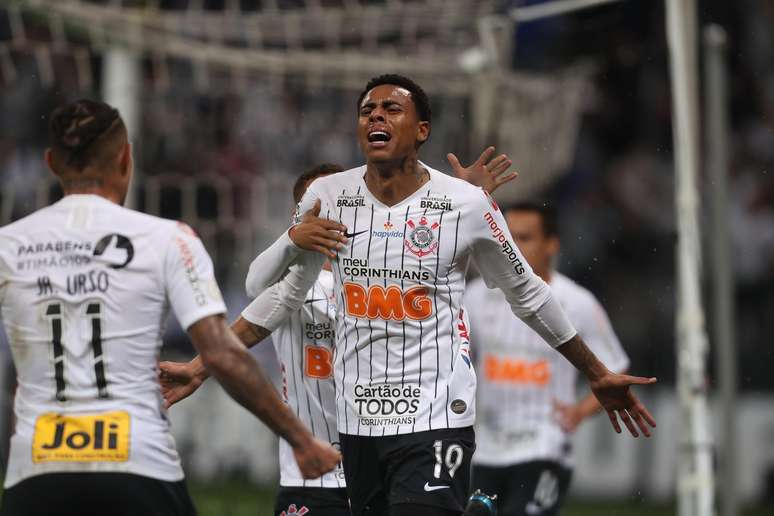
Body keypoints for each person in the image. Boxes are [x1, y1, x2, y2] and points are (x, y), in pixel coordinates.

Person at [237, 74, 656, 516]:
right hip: (356, 425)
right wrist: (206, 359)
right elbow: (279, 295)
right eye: (367, 110)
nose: (376, 114)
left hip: (435, 417)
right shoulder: (327, 196)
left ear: (422, 131)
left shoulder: (467, 204)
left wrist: (594, 371)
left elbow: (529, 293)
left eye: (391, 108)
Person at [0, 99, 340, 516]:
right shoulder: (167, 239)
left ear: (51, 162)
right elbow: (221, 351)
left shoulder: (9, 244)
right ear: (126, 158)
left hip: (37, 466)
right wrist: (300, 439)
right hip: (138, 463)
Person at [158, 151, 516, 516]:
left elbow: (448, 267)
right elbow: (255, 294)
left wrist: (464, 202)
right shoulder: (296, 285)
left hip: (391, 450)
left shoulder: (397, 279)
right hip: (313, 472)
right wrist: (199, 368)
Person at [465, 201, 631, 516]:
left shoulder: (578, 302)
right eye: (508, 237)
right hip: (486, 449)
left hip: (544, 445)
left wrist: (579, 412)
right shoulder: (475, 296)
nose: (511, 247)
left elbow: (615, 367)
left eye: (525, 238)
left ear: (551, 245)